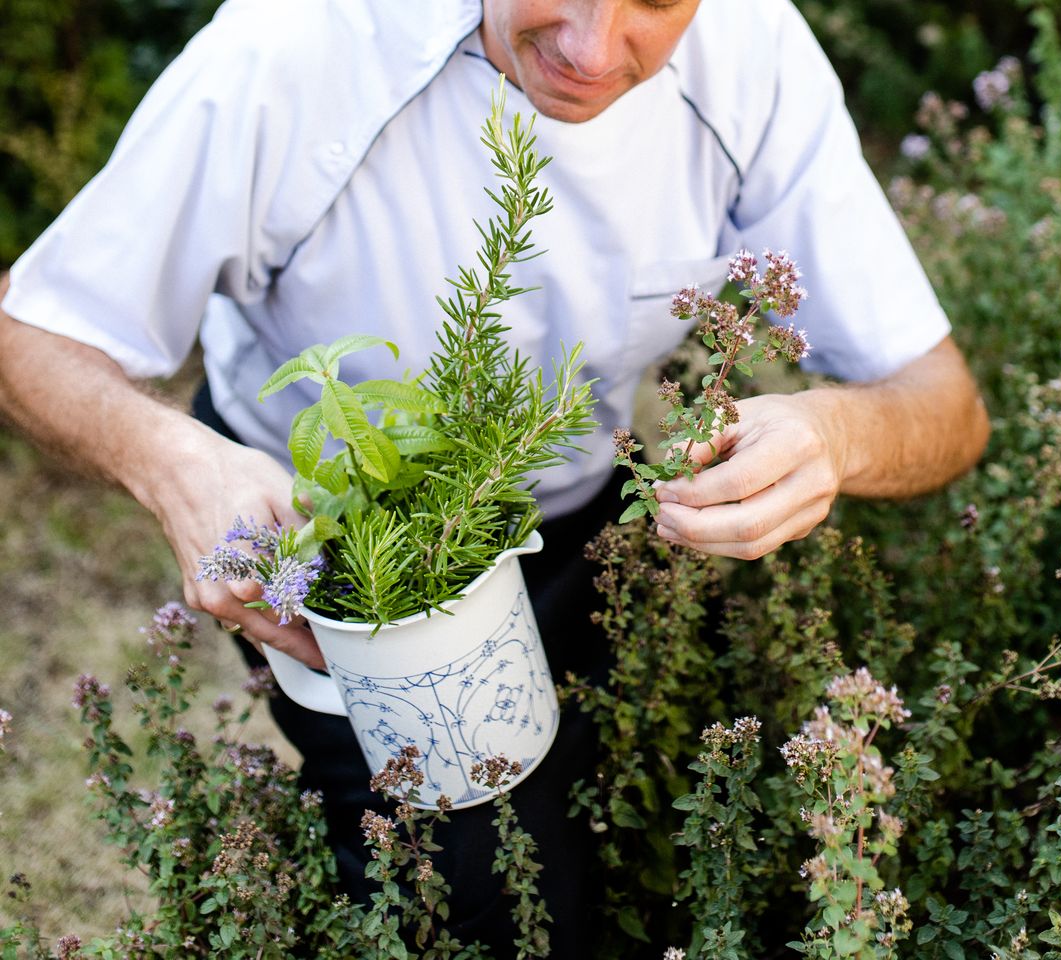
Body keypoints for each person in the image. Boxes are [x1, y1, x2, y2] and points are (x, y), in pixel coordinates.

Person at [0, 0, 990, 954]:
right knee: (480, 908)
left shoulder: (753, 49)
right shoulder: (291, 47)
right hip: (346, 563)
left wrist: (837, 434)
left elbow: (941, 403)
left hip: (574, 515)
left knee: (643, 851)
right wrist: (175, 462)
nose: (596, 49)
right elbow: (31, 332)